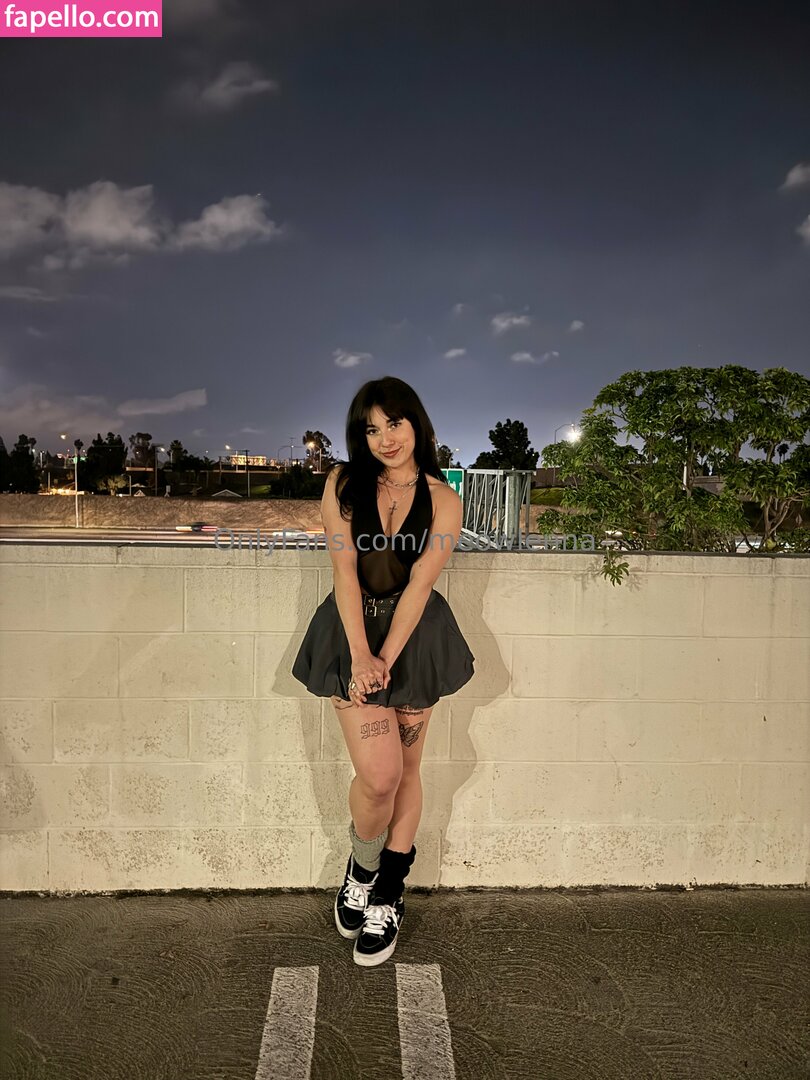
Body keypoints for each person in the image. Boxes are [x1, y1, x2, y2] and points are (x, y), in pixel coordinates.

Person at [292, 376, 475, 967]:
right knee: (379, 776)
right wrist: (360, 656)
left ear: (416, 423)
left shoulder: (443, 499)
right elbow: (344, 572)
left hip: (414, 639)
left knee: (408, 770)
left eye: (394, 423)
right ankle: (362, 867)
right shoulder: (343, 484)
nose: (385, 438)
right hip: (352, 632)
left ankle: (388, 895)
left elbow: (420, 586)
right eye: (372, 429)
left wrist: (385, 660)